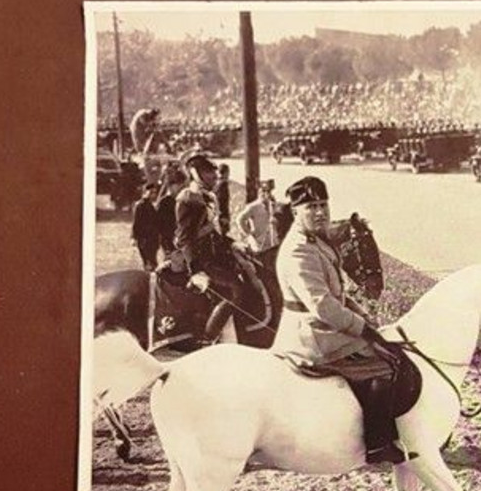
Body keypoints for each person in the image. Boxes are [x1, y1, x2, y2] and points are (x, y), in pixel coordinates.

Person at [270, 176, 406, 466]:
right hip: (312, 335)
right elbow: (322, 305)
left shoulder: (316, 239)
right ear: (295, 211)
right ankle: (377, 445)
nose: (320, 212)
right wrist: (362, 328)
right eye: (311, 207)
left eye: (323, 205)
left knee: (388, 349)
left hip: (323, 326)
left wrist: (360, 312)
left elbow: (338, 293)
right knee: (382, 366)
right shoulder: (298, 249)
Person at [174, 152, 256, 345]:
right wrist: (196, 271)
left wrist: (232, 243)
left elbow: (213, 233)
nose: (215, 176)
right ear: (195, 173)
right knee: (236, 290)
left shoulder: (207, 197)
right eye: (209, 172)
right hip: (199, 261)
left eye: (214, 172)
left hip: (214, 256)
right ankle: (207, 338)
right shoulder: (187, 199)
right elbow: (185, 238)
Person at [237, 178, 281, 257]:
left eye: (268, 192)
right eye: (263, 191)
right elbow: (240, 219)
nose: (266, 194)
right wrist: (248, 233)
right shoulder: (253, 207)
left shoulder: (272, 205)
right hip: (259, 243)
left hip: (272, 242)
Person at [130, 182, 161, 271]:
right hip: (144, 239)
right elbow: (136, 222)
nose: (153, 195)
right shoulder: (140, 206)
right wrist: (134, 237)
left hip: (153, 239)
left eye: (154, 193)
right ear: (145, 192)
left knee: (152, 262)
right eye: (151, 192)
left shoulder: (152, 205)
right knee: (149, 263)